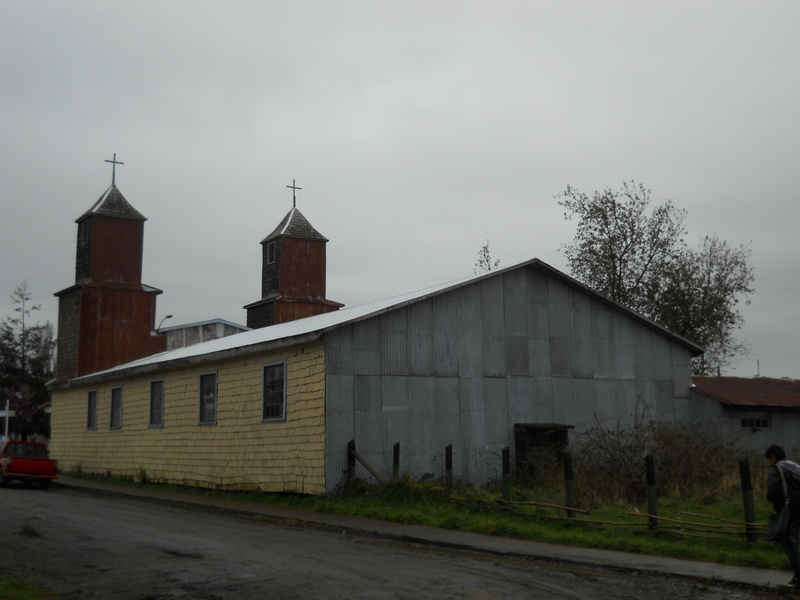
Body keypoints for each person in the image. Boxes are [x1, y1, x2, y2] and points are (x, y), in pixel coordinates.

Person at [766, 444, 800, 587]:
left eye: (769, 459)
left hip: (789, 509)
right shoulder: (793, 466)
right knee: (794, 540)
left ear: (773, 457)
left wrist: (769, 497)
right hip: (798, 507)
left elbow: (772, 492)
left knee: (791, 543)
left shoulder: (776, 469)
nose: (768, 462)